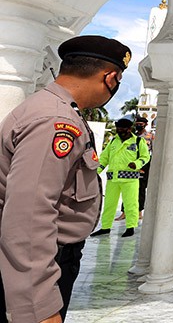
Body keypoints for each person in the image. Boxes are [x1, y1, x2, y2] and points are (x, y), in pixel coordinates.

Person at [0, 35, 131, 323]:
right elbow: (28, 216)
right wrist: (39, 306)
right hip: (43, 261)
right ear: (110, 78)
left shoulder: (58, 110)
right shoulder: (54, 122)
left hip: (49, 257)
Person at [90, 118, 149, 238]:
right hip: (113, 179)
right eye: (118, 128)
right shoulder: (113, 142)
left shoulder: (138, 141)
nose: (120, 130)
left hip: (130, 179)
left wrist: (136, 164)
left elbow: (145, 157)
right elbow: (104, 158)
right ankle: (105, 227)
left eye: (122, 128)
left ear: (129, 129)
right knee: (109, 204)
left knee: (131, 204)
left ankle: (130, 227)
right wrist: (96, 172)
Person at [116, 116, 153, 221]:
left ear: (145, 124)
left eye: (141, 123)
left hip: (143, 165)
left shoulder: (150, 136)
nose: (138, 125)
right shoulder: (132, 136)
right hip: (130, 164)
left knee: (140, 188)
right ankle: (124, 212)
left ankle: (139, 212)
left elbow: (153, 151)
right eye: (137, 123)